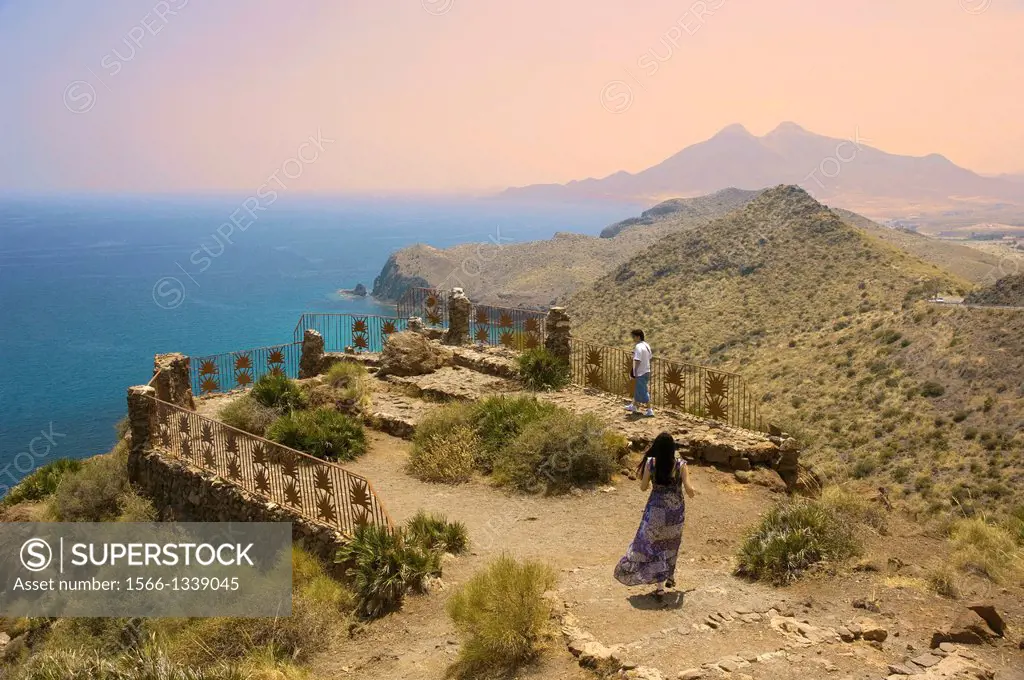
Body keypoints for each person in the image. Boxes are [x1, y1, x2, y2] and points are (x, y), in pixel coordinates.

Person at [614, 432, 696, 598]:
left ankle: (659, 586)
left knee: (654, 545)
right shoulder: (681, 465)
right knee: (671, 544)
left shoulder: (651, 463)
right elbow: (690, 490)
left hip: (655, 511)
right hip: (675, 513)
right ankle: (670, 576)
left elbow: (643, 488)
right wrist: (693, 490)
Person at [625, 329, 654, 417]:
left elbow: (637, 360)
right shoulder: (646, 345)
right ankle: (633, 406)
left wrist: (634, 372)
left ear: (638, 337)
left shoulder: (638, 347)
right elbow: (649, 356)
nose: (633, 339)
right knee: (638, 389)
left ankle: (650, 410)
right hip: (647, 370)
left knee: (643, 392)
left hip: (640, 372)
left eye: (633, 337)